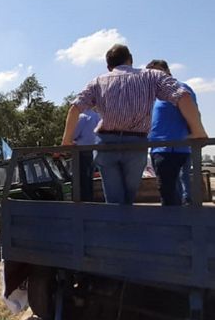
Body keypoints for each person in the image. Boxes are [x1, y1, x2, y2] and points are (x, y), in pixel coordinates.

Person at [61, 44, 208, 204]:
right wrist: (198, 131)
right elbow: (183, 96)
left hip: (106, 144)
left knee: (114, 199)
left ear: (109, 66)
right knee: (129, 198)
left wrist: (67, 140)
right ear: (130, 59)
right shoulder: (152, 76)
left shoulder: (97, 81)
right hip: (136, 144)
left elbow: (75, 108)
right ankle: (127, 222)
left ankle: (118, 226)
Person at [145, 60, 196, 206]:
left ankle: (174, 225)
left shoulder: (179, 88)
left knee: (169, 195)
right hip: (158, 149)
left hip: (172, 148)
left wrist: (195, 134)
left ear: (167, 71)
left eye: (157, 71)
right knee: (169, 192)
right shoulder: (155, 95)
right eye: (150, 73)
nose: (153, 75)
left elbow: (193, 113)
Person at [72, 108, 101, 201]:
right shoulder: (97, 116)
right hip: (93, 150)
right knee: (89, 178)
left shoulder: (82, 117)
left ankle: (82, 201)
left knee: (81, 178)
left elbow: (74, 135)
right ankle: (90, 199)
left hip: (81, 150)